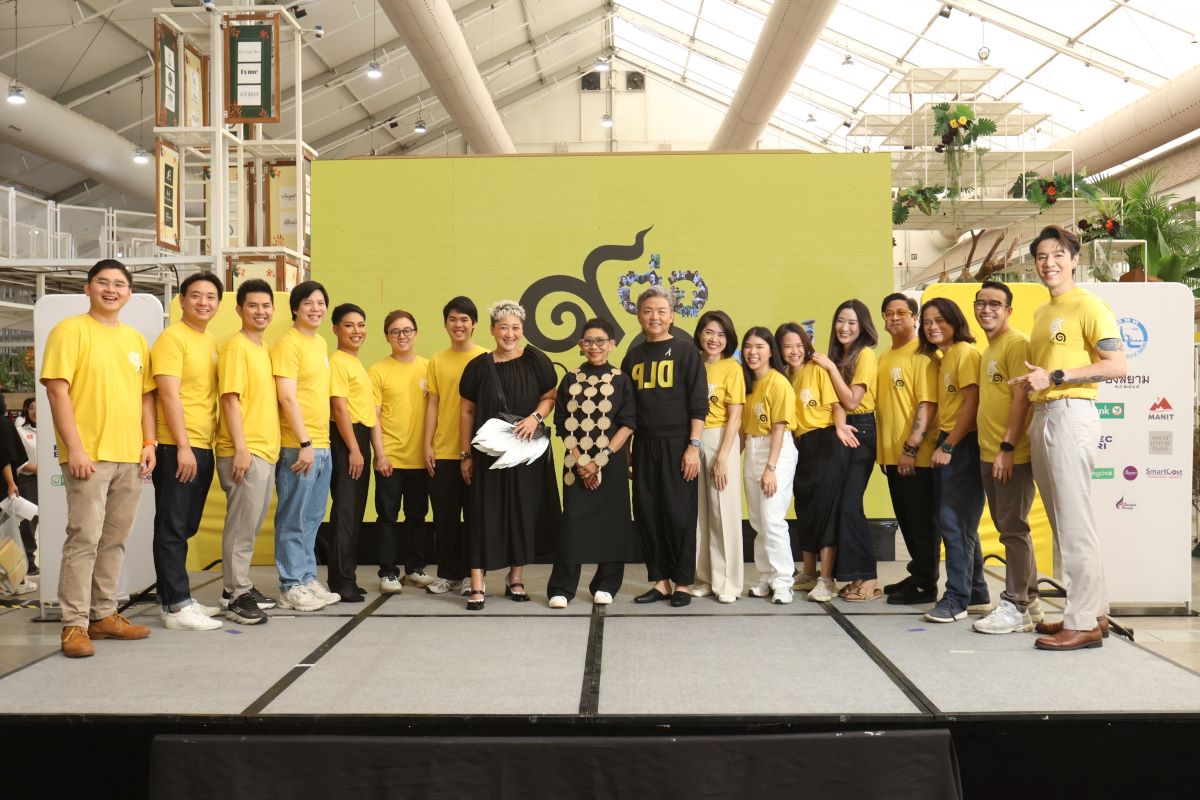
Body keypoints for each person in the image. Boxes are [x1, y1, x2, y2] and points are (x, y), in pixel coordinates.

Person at [1011, 225, 1126, 651]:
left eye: (1059, 254)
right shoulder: (1043, 312)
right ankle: (1094, 612)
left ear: (1075, 260)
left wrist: (1056, 376)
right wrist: (1036, 382)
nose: (1050, 263)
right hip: (1044, 415)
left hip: (1071, 414)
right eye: (1042, 256)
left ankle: (1082, 623)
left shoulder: (1089, 305)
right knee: (1066, 522)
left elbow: (1116, 365)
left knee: (1076, 522)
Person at [41, 259, 155, 658]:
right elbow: (57, 391)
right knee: (84, 539)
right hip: (89, 455)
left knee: (114, 540)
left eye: (119, 284)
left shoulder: (135, 339)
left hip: (130, 455)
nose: (111, 290)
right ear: (87, 288)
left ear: (129, 293)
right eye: (103, 282)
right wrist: (74, 448)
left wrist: (149, 442)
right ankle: (74, 623)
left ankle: (104, 614)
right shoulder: (69, 331)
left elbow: (146, 397)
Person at [458, 300, 559, 610]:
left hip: (526, 451)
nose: (510, 333)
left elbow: (550, 396)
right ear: (492, 330)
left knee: (522, 511)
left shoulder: (536, 360)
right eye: (503, 327)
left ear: (522, 330)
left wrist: (535, 419)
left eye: (516, 327)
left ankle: (515, 578)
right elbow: (466, 411)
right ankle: (477, 582)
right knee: (481, 514)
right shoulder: (478, 366)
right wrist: (465, 453)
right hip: (487, 454)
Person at [620, 286, 708, 608]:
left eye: (661, 311)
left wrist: (693, 447)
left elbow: (698, 404)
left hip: (678, 445)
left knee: (679, 515)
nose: (654, 317)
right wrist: (627, 450)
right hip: (644, 445)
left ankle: (683, 582)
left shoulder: (687, 353)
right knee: (648, 514)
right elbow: (626, 410)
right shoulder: (633, 356)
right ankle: (660, 582)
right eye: (648, 311)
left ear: (672, 316)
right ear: (638, 316)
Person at [546, 318, 641, 608]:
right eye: (588, 341)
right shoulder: (570, 378)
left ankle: (606, 584)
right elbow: (561, 423)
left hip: (611, 462)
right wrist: (581, 462)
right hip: (575, 464)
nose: (594, 346)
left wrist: (600, 461)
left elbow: (628, 424)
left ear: (612, 344)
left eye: (600, 341)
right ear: (580, 345)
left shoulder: (621, 379)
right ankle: (562, 587)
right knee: (572, 524)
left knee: (613, 523)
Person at [151, 272, 224, 631]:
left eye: (211, 297)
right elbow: (167, 394)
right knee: (172, 526)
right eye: (196, 295)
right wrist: (182, 446)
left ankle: (176, 598)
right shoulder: (172, 338)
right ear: (181, 300)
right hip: (177, 445)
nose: (203, 302)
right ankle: (176, 606)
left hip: (202, 444)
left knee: (186, 524)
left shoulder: (208, 339)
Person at [971, 280, 1044, 635]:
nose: (986, 309)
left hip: (1010, 454)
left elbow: (1022, 399)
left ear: (1009, 310)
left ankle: (1015, 604)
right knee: (1009, 528)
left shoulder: (1016, 344)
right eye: (981, 303)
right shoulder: (990, 348)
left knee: (1013, 528)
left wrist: (1007, 448)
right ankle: (1030, 602)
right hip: (990, 452)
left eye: (995, 304)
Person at [919, 297, 987, 623]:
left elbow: (972, 404)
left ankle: (956, 599)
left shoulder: (965, 353)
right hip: (951, 439)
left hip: (962, 442)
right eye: (927, 322)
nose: (932, 326)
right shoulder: (945, 357)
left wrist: (949, 446)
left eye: (939, 320)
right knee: (961, 523)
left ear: (954, 321)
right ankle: (976, 591)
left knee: (954, 522)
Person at [271, 281, 339, 612]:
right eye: (309, 303)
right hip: (299, 446)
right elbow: (286, 397)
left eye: (321, 302)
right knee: (292, 518)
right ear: (295, 308)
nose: (316, 308)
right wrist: (305, 442)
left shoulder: (320, 342)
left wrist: (318, 443)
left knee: (312, 518)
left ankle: (307, 577)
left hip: (322, 444)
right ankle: (291, 585)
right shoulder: (288, 344)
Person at [215, 279, 279, 624]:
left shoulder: (261, 348)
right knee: (241, 527)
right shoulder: (236, 348)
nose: (260, 311)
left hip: (263, 451)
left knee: (248, 526)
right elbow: (230, 399)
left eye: (266, 305)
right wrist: (241, 449)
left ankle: (238, 586)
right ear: (239, 309)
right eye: (253, 305)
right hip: (245, 451)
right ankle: (236, 594)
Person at [812, 300, 880, 602]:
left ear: (863, 326)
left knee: (850, 504)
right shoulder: (839, 356)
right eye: (840, 320)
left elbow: (852, 400)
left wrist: (829, 367)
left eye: (852, 322)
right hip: (839, 429)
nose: (845, 327)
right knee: (841, 504)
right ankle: (854, 575)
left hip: (861, 429)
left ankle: (870, 576)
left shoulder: (865, 354)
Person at [876, 293, 940, 607]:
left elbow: (927, 404)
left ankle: (926, 584)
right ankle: (918, 573)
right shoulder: (885, 355)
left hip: (917, 457)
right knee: (907, 521)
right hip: (893, 456)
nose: (894, 318)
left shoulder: (923, 354)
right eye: (888, 313)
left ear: (914, 317)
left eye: (901, 312)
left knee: (921, 523)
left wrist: (911, 448)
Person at [423, 297, 488, 595]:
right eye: (452, 319)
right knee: (445, 517)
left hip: (479, 452)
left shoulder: (486, 358)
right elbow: (433, 404)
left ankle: (475, 577)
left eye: (464, 319)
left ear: (474, 324)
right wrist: (428, 444)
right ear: (445, 324)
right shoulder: (437, 360)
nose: (458, 324)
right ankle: (448, 574)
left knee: (476, 518)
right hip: (444, 451)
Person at [777, 322, 846, 603]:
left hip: (825, 441)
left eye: (799, 345)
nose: (794, 351)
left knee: (825, 509)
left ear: (806, 346)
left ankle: (826, 579)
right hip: (799, 446)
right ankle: (808, 571)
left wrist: (840, 427)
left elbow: (836, 406)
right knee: (804, 507)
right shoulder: (783, 377)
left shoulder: (817, 370)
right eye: (787, 346)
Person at [369, 310, 432, 595]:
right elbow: (374, 417)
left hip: (421, 459)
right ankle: (388, 572)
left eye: (407, 331)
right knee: (387, 518)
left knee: (417, 517)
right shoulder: (378, 371)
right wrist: (380, 454)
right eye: (395, 332)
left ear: (416, 334)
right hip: (391, 458)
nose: (402, 336)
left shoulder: (428, 368)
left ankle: (415, 568)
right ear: (387, 337)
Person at [741, 327, 799, 604]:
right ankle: (765, 576)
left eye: (759, 347)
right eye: (748, 346)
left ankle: (783, 581)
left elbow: (779, 428)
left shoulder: (778, 382)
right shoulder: (749, 384)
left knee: (772, 518)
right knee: (757, 520)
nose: (752, 352)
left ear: (770, 351)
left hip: (776, 450)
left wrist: (771, 468)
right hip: (753, 447)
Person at [323, 303, 377, 602]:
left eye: (361, 324)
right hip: (347, 439)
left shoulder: (354, 362)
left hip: (359, 437)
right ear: (335, 329)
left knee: (355, 510)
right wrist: (354, 449)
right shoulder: (338, 362)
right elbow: (339, 408)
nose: (357, 331)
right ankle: (341, 582)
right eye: (349, 325)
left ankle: (347, 577)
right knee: (345, 511)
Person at [692, 310, 745, 603]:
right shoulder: (692, 363)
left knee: (723, 511)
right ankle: (704, 577)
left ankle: (728, 583)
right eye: (709, 332)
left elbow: (735, 416)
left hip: (720, 438)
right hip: (693, 439)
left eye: (721, 334)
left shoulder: (731, 368)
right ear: (700, 334)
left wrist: (723, 456)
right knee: (700, 514)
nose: (714, 339)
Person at [14, 397, 38, 575]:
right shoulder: (20, 431)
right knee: (29, 522)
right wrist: (37, 469)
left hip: (52, 481)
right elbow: (18, 461)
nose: (36, 411)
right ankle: (28, 562)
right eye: (32, 408)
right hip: (28, 481)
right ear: (26, 410)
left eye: (39, 408)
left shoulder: (53, 429)